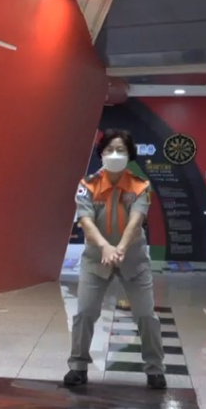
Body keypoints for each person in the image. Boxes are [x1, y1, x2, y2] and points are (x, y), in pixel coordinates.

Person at [67, 128, 166, 389]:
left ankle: (155, 369)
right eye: (109, 149)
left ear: (129, 155)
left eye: (120, 150)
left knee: (146, 316)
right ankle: (78, 366)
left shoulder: (140, 186)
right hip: (95, 259)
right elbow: (85, 221)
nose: (114, 154)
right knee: (85, 313)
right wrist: (104, 247)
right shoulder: (87, 185)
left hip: (133, 259)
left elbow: (136, 221)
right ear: (101, 153)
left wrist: (119, 248)